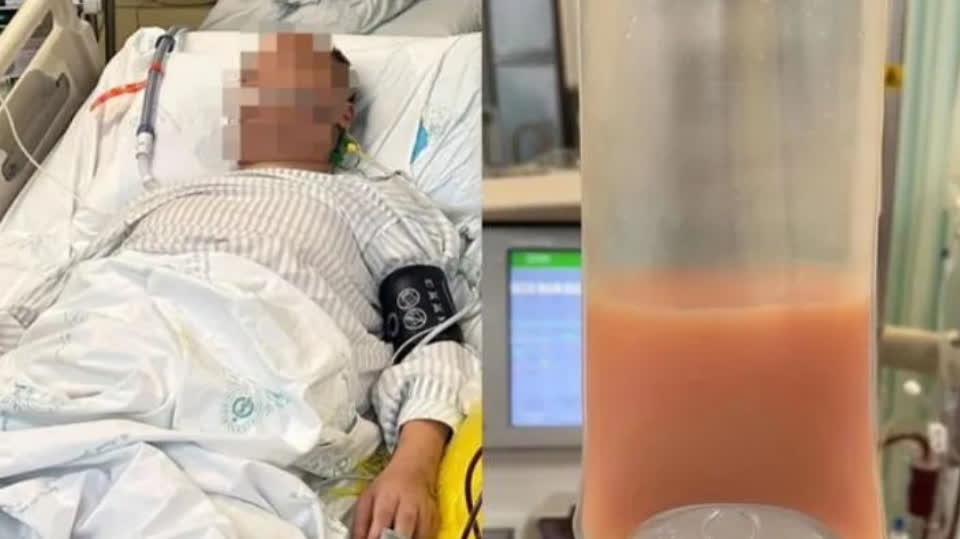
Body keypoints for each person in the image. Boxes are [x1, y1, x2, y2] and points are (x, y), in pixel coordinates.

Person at [0, 32, 479, 539]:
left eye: (285, 85)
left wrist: (413, 466)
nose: (258, 100)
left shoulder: (377, 203)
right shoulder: (155, 201)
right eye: (251, 86)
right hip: (100, 345)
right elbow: (41, 309)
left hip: (252, 368)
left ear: (342, 113)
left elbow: (428, 339)